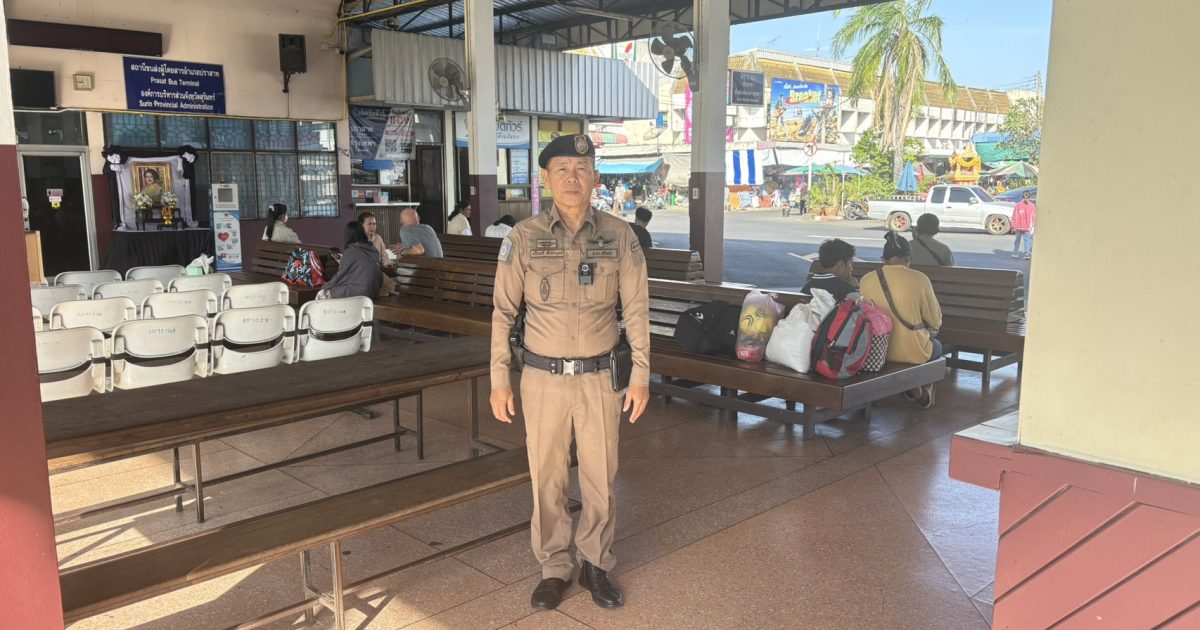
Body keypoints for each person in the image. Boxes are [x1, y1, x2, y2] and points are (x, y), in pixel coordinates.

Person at [490, 134, 650, 612]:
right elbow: (502, 313)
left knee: (600, 475)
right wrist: (499, 379)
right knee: (547, 477)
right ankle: (554, 566)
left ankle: (595, 562)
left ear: (595, 177)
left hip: (600, 378)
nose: (572, 178)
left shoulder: (620, 236)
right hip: (542, 379)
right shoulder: (523, 237)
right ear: (546, 178)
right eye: (561, 169)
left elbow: (637, 309)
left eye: (581, 169)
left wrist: (641, 374)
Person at [858, 232, 943, 409]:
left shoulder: (866, 280)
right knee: (937, 347)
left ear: (883, 259)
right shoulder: (919, 279)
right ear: (908, 258)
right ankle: (921, 391)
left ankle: (912, 387)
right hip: (912, 351)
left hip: (876, 352)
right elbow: (935, 320)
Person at [317, 221, 382, 300]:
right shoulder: (373, 249)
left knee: (322, 294)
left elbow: (340, 276)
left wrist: (324, 286)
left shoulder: (351, 251)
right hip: (374, 291)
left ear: (348, 235)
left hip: (360, 292)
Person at [1010, 191, 1036, 259]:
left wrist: (1013, 226)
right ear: (1029, 197)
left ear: (1022, 196)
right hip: (1027, 227)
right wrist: (1032, 226)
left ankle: (1015, 252)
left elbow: (1014, 216)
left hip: (1019, 227)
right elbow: (1033, 217)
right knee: (1027, 240)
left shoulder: (1018, 205)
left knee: (1017, 240)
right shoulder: (1032, 206)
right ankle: (1026, 253)